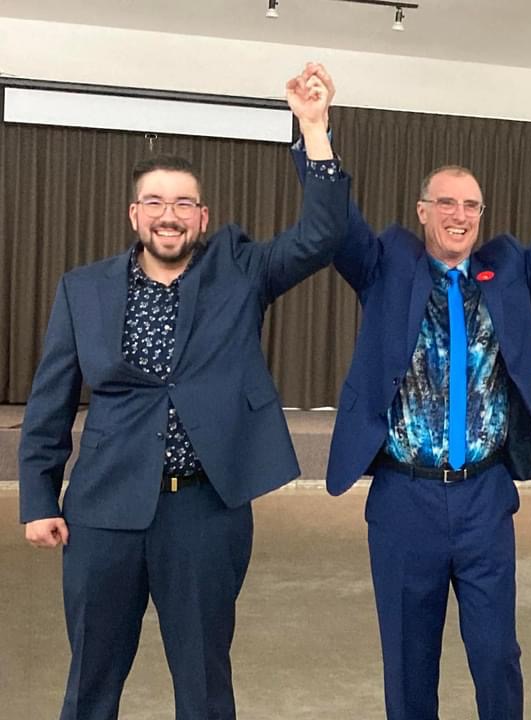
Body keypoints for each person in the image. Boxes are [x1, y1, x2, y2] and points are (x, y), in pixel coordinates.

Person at [296, 62, 531, 719]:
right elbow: (338, 223)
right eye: (447, 203)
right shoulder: (386, 265)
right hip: (405, 498)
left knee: (496, 657)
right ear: (423, 211)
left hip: (484, 498)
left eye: (471, 206)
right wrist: (316, 131)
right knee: (409, 666)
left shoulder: (508, 269)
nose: (459, 216)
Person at [18, 65, 346, 719]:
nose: (169, 216)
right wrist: (37, 497)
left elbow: (322, 235)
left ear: (203, 216)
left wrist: (314, 129)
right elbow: (50, 400)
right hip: (103, 509)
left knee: (203, 685)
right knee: (90, 681)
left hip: (204, 511)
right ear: (134, 214)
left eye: (183, 204)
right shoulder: (83, 288)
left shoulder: (240, 271)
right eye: (155, 203)